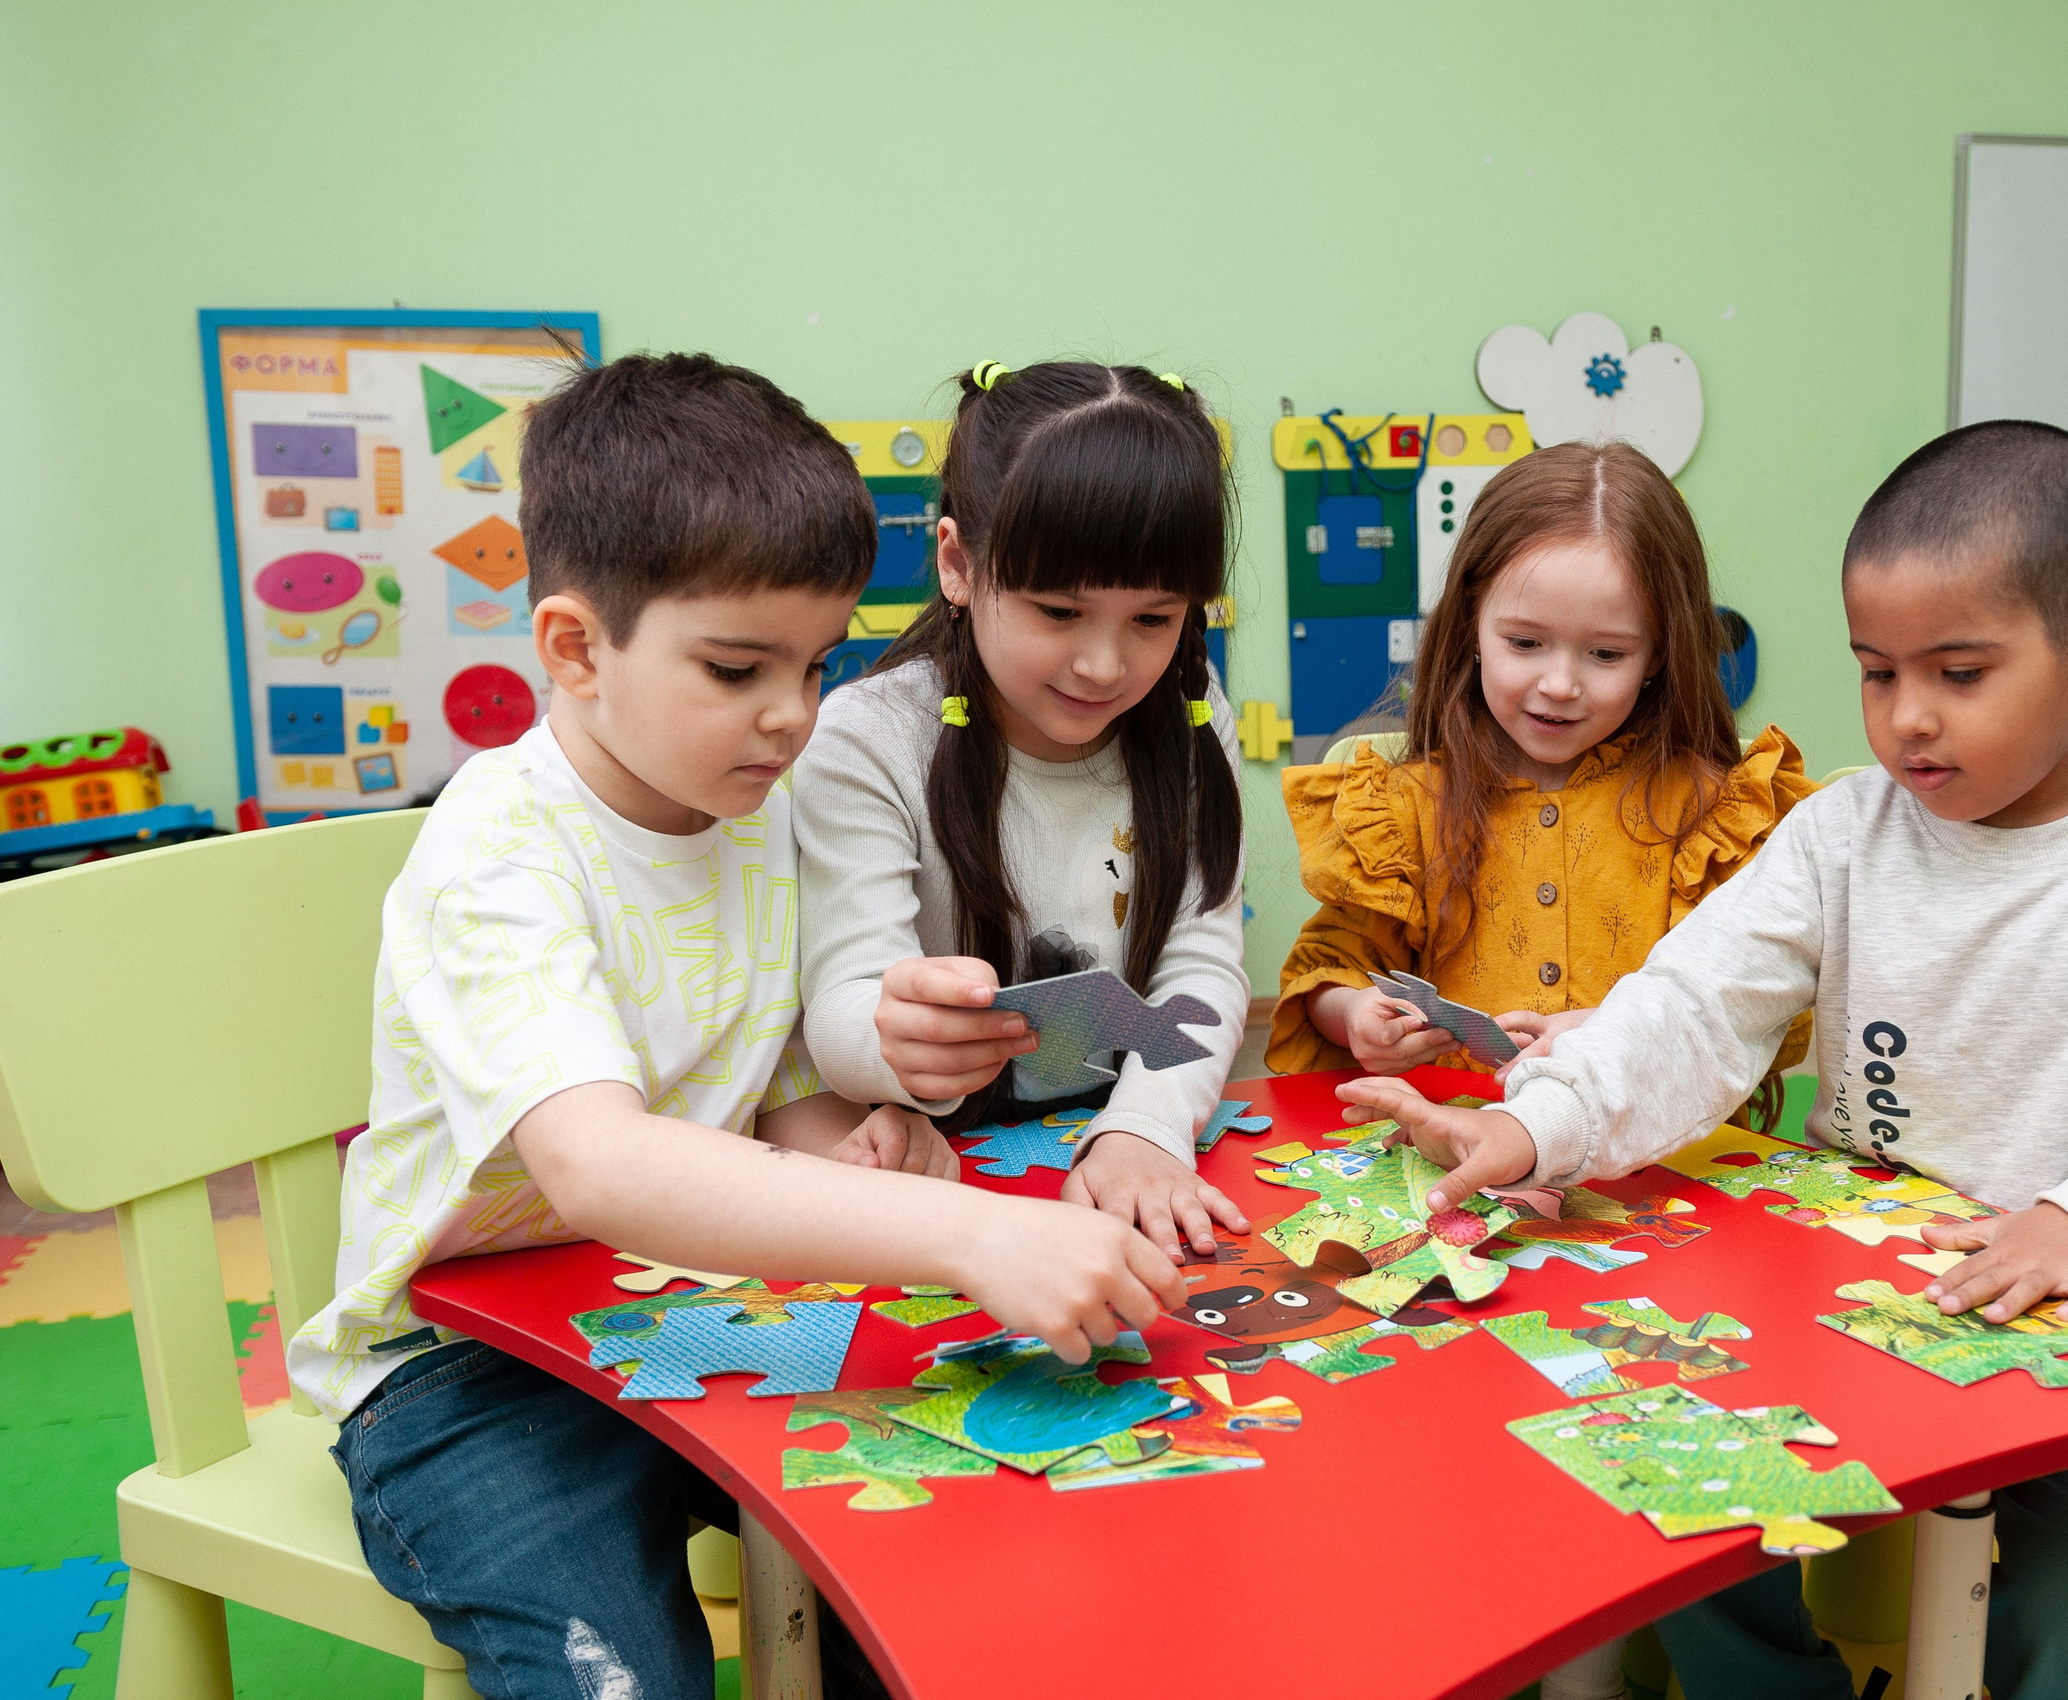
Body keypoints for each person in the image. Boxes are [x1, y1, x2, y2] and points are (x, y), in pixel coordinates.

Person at [1346, 421, 2068, 1700]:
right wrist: (1534, 1123)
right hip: (1858, 1284)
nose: (1907, 718)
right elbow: (1693, 1003)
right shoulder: (1842, 833)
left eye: (1959, 671)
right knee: (1674, 1479)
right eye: (1876, 672)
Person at [289, 353, 1183, 1700]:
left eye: (817, 664)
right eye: (735, 667)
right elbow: (601, 1162)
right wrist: (970, 1229)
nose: (793, 714)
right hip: (465, 1370)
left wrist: (851, 1141)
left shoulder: (751, 814)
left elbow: (767, 1084)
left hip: (688, 1307)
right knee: (626, 1675)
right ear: (575, 649)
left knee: (947, 1578)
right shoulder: (499, 854)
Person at [794, 359, 1253, 1261]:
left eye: (1153, 620)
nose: (1104, 666)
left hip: (1125, 1141)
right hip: (936, 1178)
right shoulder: (866, 738)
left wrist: (1146, 1129)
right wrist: (899, 1044)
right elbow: (843, 1003)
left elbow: (1203, 961)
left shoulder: (1193, 716)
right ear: (958, 564)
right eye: (1058, 610)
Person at [1266, 441, 1813, 1134]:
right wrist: (1354, 1016)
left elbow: (1765, 1008)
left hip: (1655, 1158)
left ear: (1658, 653)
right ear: (1470, 625)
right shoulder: (1405, 806)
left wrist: (1629, 1030)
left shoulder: (1715, 813)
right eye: (1525, 643)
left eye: (1606, 653)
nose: (1559, 684)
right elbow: (1330, 969)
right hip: (1450, 1152)